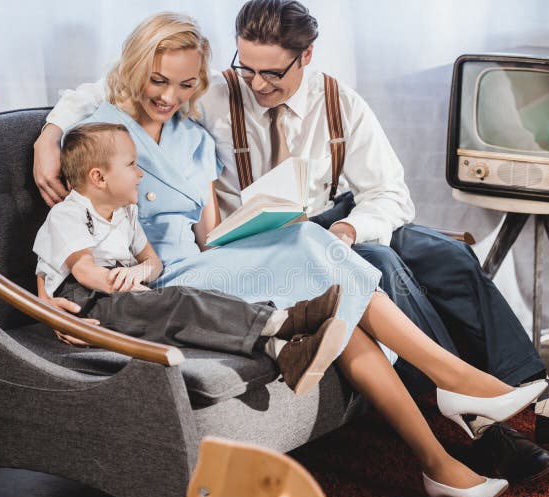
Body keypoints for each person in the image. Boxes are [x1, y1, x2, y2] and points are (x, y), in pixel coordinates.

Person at [33, 1, 549, 482]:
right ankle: (477, 409)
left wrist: (347, 228)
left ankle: (535, 402)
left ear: (306, 57)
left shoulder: (334, 103)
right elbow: (110, 93)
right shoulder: (204, 95)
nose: (257, 83)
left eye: (272, 72)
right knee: (370, 261)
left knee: (444, 255)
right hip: (255, 241)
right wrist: (51, 132)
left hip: (333, 221)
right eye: (247, 68)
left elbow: (391, 196)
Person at [33, 121, 348, 395]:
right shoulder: (68, 214)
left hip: (118, 291)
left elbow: (154, 265)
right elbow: (85, 272)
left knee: (196, 305)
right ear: (98, 177)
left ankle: (283, 353)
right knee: (179, 301)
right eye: (131, 165)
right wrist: (131, 287)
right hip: (88, 302)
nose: (140, 174)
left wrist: (140, 272)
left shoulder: (125, 212)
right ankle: (287, 320)